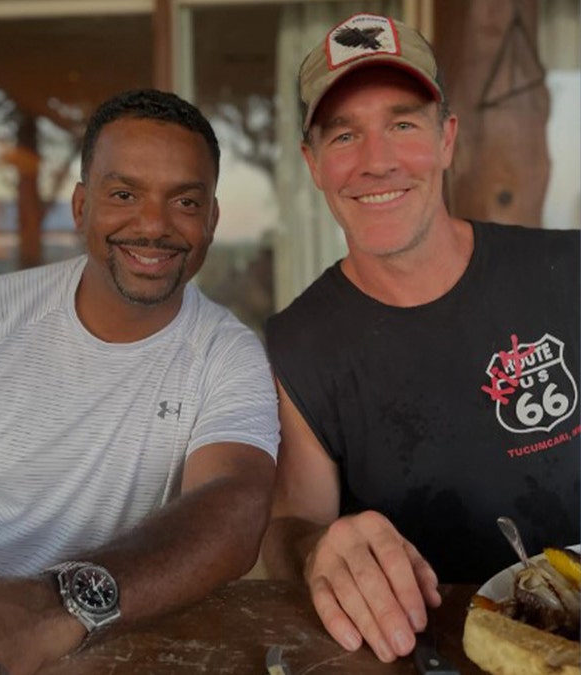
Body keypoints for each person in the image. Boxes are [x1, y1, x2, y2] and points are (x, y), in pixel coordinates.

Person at [260, 12, 580, 664]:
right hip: (422, 653)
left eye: (403, 124)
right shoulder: (299, 345)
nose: (377, 162)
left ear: (446, 140)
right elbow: (291, 528)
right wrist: (318, 549)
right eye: (344, 134)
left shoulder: (568, 272)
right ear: (312, 163)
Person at [0, 89, 280, 674]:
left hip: (117, 651)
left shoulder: (227, 352)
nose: (153, 226)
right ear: (80, 207)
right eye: (124, 195)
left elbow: (234, 509)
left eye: (185, 202)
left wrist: (52, 608)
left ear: (212, 220)